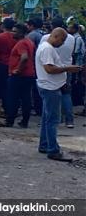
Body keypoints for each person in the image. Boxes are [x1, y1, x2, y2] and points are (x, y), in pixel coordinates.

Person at [36, 28, 82, 161]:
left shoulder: (46, 47)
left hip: (49, 86)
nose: (62, 44)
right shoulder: (47, 49)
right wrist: (68, 68)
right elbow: (49, 69)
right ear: (55, 36)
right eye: (62, 40)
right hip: (50, 88)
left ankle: (45, 145)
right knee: (52, 120)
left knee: (47, 118)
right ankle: (53, 150)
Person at [0, 24, 35, 128]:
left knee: (12, 98)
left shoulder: (21, 43)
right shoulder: (29, 42)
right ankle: (24, 121)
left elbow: (24, 57)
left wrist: (18, 69)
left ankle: (9, 120)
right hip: (29, 74)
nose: (12, 33)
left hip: (19, 75)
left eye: (15, 31)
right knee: (26, 98)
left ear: (21, 33)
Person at [41, 18, 76, 128]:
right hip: (68, 67)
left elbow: (42, 53)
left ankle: (56, 119)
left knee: (51, 95)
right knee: (66, 93)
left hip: (51, 68)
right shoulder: (71, 38)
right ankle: (69, 120)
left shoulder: (46, 38)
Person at [0, 18, 17, 117]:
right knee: (13, 88)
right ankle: (12, 108)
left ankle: (5, 108)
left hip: (2, 63)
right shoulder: (17, 37)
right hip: (15, 64)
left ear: (3, 25)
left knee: (3, 88)